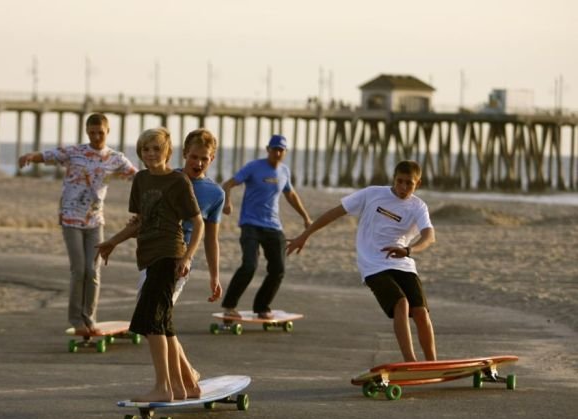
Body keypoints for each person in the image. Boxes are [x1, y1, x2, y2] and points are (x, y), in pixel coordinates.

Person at [97, 128, 224, 388]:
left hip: (176, 260)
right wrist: (113, 240)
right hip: (149, 256)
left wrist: (213, 275)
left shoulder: (214, 193)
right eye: (194, 157)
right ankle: (187, 379)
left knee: (155, 319)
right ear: (184, 154)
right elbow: (142, 220)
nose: (198, 163)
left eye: (204, 159)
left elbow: (210, 237)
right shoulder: (159, 178)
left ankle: (172, 384)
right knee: (160, 320)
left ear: (211, 160)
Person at [286, 160, 437, 362]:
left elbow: (429, 236)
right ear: (393, 178)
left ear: (417, 184)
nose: (403, 188)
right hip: (373, 265)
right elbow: (334, 213)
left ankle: (433, 363)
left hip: (403, 262)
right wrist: (304, 235)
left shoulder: (418, 206)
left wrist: (409, 250)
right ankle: (410, 362)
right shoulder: (372, 194)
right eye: (399, 181)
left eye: (409, 183)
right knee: (401, 304)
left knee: (420, 312)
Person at [17, 113, 137, 334]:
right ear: (87, 132)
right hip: (71, 218)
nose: (96, 136)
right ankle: (76, 319)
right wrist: (29, 157)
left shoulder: (115, 158)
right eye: (92, 132)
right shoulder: (75, 152)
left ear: (107, 131)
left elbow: (137, 176)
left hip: (95, 221)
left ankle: (89, 317)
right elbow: (49, 155)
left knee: (93, 271)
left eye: (100, 132)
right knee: (79, 269)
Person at [221, 134, 311, 319]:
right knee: (249, 266)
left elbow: (291, 195)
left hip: (273, 226)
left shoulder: (284, 172)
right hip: (250, 225)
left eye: (281, 150)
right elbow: (228, 183)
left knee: (278, 270)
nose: (277, 153)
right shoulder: (254, 167)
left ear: (285, 152)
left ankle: (262, 307)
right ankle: (229, 306)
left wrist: (305, 217)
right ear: (268, 149)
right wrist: (227, 202)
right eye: (274, 149)